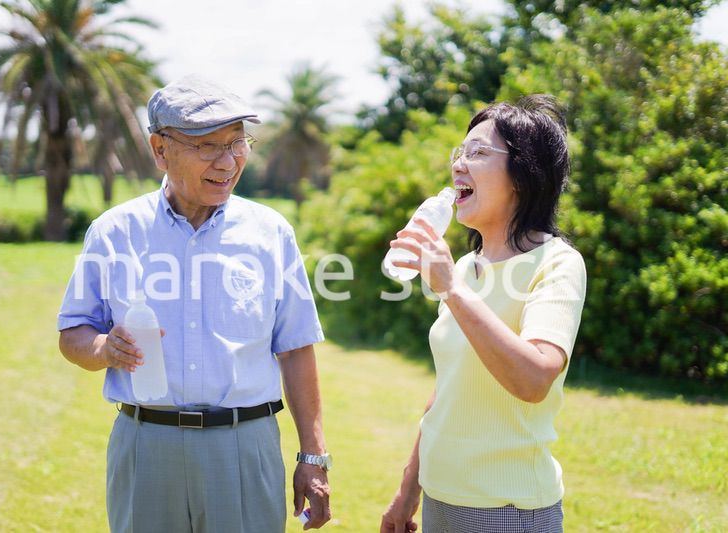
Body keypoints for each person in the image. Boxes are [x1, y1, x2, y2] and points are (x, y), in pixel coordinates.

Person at [57, 75, 332, 533]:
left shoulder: (270, 232)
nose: (228, 161)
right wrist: (103, 349)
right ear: (160, 150)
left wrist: (314, 456)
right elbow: (73, 333)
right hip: (146, 446)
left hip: (245, 448)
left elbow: (296, 347)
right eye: (208, 145)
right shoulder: (113, 231)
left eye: (238, 143)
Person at [380, 95, 587, 533]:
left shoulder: (558, 263)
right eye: (460, 152)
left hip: (507, 510)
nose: (459, 165)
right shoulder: (463, 268)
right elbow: (447, 393)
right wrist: (406, 494)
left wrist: (452, 291)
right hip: (441, 498)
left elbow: (534, 379)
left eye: (477, 153)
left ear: (524, 173)